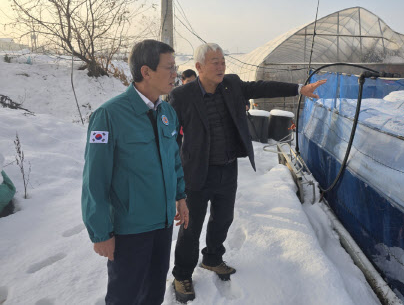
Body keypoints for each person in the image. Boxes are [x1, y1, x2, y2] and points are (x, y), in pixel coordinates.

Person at [169, 43, 326, 303]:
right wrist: (174, 185)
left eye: (222, 61)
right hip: (196, 173)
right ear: (198, 67)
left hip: (227, 168)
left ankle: (212, 258)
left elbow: (262, 87)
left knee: (223, 219)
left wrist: (299, 89)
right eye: (214, 62)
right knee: (190, 226)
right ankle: (182, 274)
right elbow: (171, 142)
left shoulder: (231, 84)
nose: (221, 66)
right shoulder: (181, 96)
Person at [81, 39, 189, 305]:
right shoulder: (109, 115)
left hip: (163, 224)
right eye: (169, 67)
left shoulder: (167, 113)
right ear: (146, 71)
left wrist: (181, 197)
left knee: (153, 294)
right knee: (125, 297)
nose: (175, 74)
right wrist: (100, 232)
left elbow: (174, 159)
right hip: (130, 229)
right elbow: (95, 179)